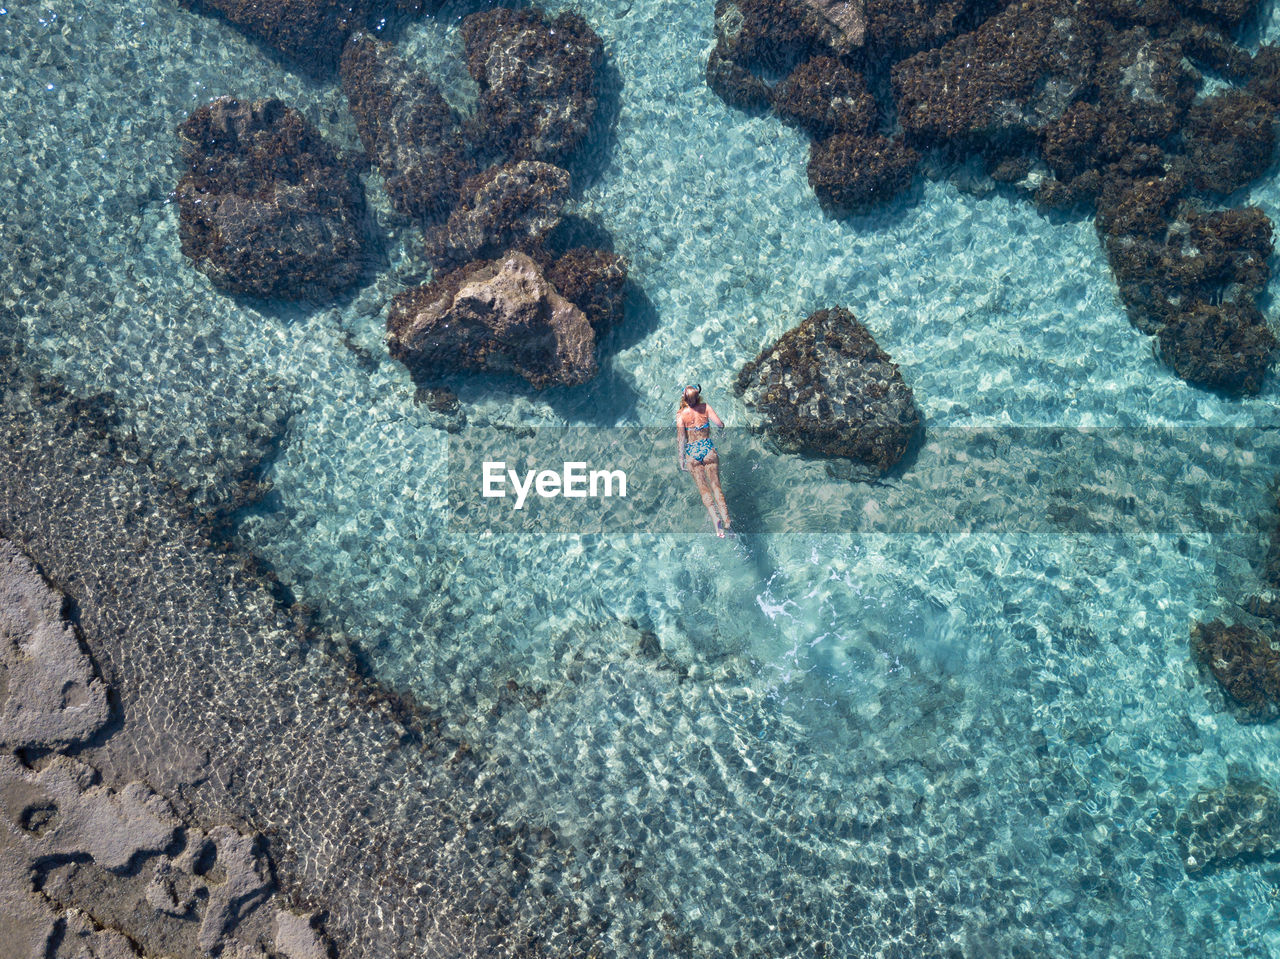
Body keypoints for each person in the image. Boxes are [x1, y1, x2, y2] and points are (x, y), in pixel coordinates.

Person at [675, 384, 731, 536]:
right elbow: (719, 424)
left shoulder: (681, 415)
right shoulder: (705, 407)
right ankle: (726, 519)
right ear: (698, 396)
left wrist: (681, 460)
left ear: (684, 399)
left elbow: (681, 440)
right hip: (707, 449)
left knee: (703, 489)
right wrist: (722, 431)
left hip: (692, 453)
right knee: (716, 487)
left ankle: (716, 520)